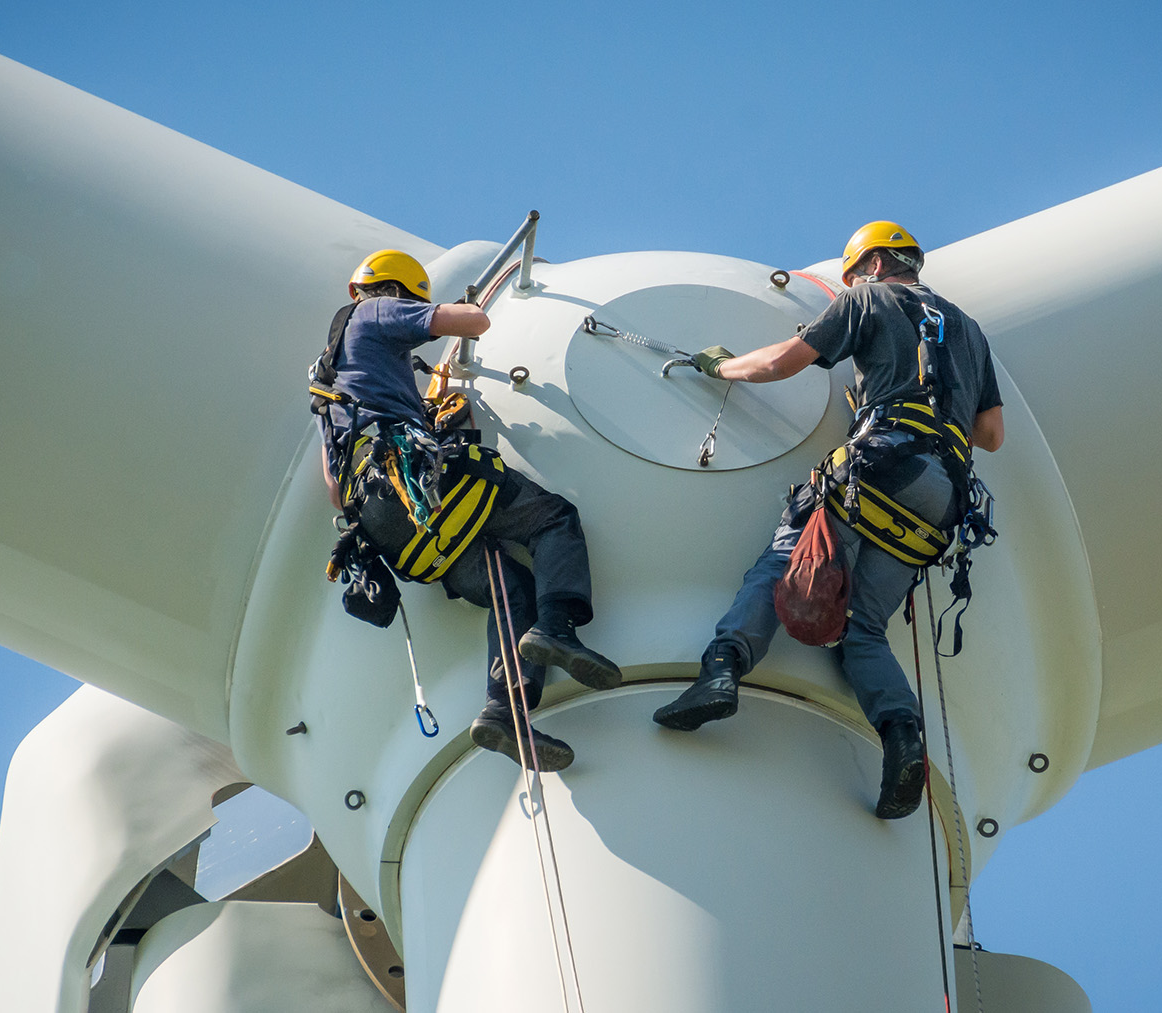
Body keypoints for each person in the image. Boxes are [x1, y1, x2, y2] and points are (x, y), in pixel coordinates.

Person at [651, 222, 1005, 819]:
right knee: (862, 628)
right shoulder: (968, 331)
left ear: (868, 265)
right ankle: (902, 738)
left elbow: (782, 364)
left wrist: (721, 368)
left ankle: (721, 672)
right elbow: (991, 435)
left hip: (880, 464)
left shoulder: (867, 299)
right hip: (942, 499)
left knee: (782, 566)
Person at [316, 249, 623, 772]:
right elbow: (472, 321)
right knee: (552, 519)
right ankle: (556, 627)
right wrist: (456, 309)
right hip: (417, 479)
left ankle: (504, 712)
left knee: (509, 587)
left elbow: (332, 488)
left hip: (383, 519)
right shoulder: (374, 313)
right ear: (396, 292)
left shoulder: (327, 377)